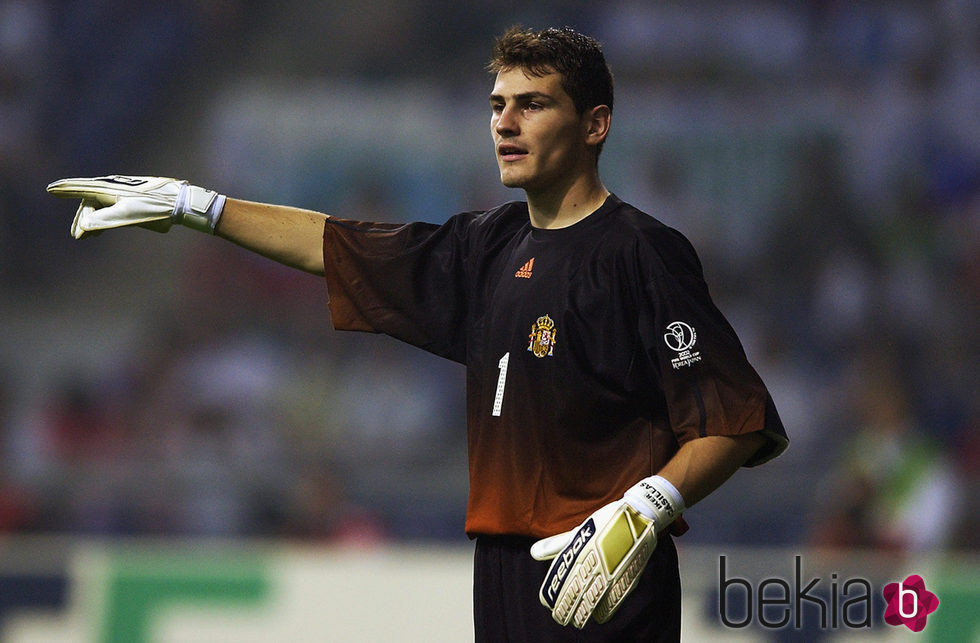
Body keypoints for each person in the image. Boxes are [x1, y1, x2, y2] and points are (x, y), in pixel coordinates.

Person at [48, 25, 788, 642]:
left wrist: (645, 508)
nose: (505, 122)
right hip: (499, 571)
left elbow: (735, 419)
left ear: (595, 124)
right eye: (498, 105)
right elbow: (336, 244)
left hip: (603, 575)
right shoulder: (487, 246)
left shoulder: (639, 251)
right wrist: (196, 205)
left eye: (533, 104)